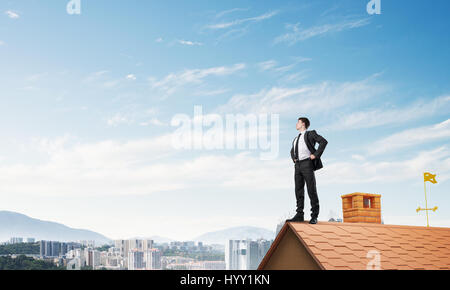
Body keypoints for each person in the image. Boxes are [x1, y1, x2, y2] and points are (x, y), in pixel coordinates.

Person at [286, 117, 328, 224]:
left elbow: (323, 142)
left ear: (303, 124)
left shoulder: (310, 134)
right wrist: (294, 159)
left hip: (307, 163)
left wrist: (316, 155)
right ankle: (299, 214)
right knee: (298, 190)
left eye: (298, 122)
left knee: (311, 189)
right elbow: (292, 151)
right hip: (298, 165)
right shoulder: (296, 139)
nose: (296, 124)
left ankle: (314, 216)